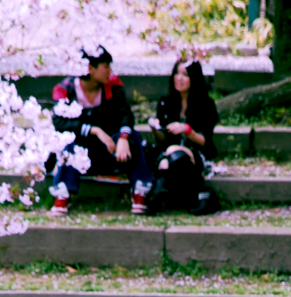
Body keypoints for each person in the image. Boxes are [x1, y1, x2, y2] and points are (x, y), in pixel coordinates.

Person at [49, 46, 154, 216]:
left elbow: (125, 115)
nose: (110, 71)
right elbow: (59, 121)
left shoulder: (112, 86)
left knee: (133, 137)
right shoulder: (66, 89)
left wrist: (123, 137)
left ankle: (139, 190)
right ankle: (62, 193)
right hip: (80, 153)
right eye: (105, 66)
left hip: (111, 150)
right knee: (67, 141)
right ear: (90, 69)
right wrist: (94, 130)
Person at [147, 59, 219, 216]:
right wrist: (155, 129)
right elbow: (162, 141)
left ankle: (157, 196)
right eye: (176, 73)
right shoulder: (165, 102)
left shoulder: (206, 105)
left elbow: (205, 141)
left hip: (196, 153)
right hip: (169, 153)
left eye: (185, 75)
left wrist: (187, 131)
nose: (179, 78)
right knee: (165, 162)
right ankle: (198, 194)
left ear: (194, 78)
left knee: (172, 154)